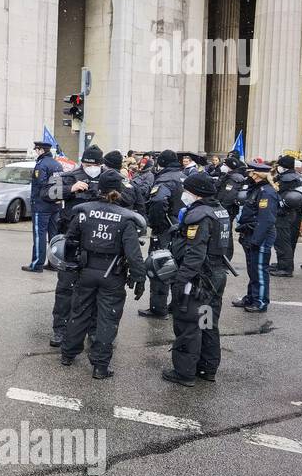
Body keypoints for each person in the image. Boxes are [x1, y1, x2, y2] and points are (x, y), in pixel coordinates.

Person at [60, 171, 147, 379]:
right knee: (107, 319)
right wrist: (140, 278)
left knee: (79, 312)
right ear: (119, 190)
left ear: (99, 188)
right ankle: (100, 366)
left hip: (86, 271)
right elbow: (134, 254)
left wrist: (72, 266)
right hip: (112, 275)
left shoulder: (83, 212)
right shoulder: (127, 218)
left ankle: (68, 354)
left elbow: (70, 241)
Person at [163, 172, 234, 387]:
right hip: (216, 274)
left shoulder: (199, 216)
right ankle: (207, 368)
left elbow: (195, 253)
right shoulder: (220, 211)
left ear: (195, 193)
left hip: (198, 279)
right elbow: (227, 248)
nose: (184, 194)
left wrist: (181, 280)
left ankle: (185, 372)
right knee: (207, 321)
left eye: (187, 190)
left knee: (188, 323)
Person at [49, 146, 106, 345]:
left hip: (99, 243)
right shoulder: (69, 175)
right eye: (88, 164)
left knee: (96, 291)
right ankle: (60, 330)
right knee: (65, 288)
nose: (92, 168)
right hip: (72, 240)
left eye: (96, 165)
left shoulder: (109, 177)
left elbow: (130, 199)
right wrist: (70, 189)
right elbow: (48, 192)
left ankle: (94, 330)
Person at [138, 149, 186, 320]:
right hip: (182, 228)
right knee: (178, 266)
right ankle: (176, 305)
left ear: (162, 163)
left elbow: (158, 201)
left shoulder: (165, 179)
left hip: (166, 228)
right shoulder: (184, 176)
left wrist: (156, 224)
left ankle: (158, 308)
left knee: (160, 266)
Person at [231, 158, 278, 313]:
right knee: (253, 269)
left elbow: (266, 219)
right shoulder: (256, 190)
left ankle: (260, 301)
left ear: (255, 174)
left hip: (260, 236)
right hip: (251, 233)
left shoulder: (267, 192)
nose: (247, 176)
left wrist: (256, 240)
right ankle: (251, 297)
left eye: (249, 173)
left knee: (259, 269)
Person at [24, 139, 62, 272]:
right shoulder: (57, 164)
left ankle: (37, 264)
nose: (35, 152)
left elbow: (41, 184)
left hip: (41, 205)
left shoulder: (41, 165)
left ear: (41, 150)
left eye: (36, 150)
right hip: (55, 205)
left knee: (39, 235)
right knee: (53, 235)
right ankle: (53, 263)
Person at [270, 155, 302, 277]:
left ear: (283, 166)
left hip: (283, 213)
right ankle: (282, 264)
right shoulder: (296, 176)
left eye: (279, 165)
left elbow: (276, 191)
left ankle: (285, 268)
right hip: (290, 212)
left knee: (282, 242)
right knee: (286, 241)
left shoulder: (286, 178)